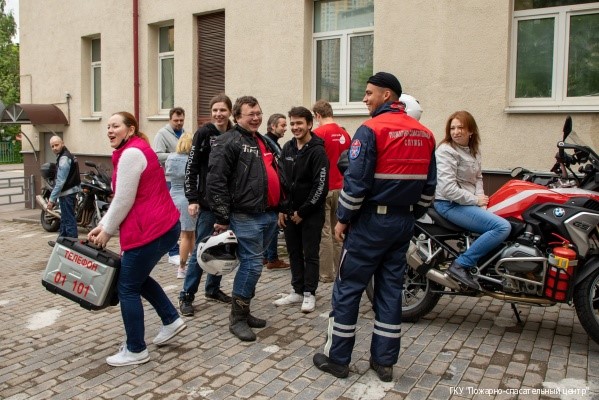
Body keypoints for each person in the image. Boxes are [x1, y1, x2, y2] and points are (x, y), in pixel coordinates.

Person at [313, 72, 437, 382]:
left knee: (348, 289)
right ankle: (384, 363)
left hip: (370, 223)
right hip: (403, 222)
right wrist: (410, 213)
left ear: (387, 96)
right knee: (390, 291)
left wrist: (343, 219)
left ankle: (337, 358)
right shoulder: (425, 134)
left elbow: (356, 183)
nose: (365, 98)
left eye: (369, 93)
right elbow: (429, 188)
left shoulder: (370, 130)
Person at [88, 111, 186, 367]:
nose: (110, 130)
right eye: (108, 126)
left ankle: (136, 349)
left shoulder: (131, 153)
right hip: (162, 226)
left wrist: (106, 230)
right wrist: (102, 225)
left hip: (149, 230)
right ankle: (171, 319)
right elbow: (124, 197)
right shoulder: (132, 149)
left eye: (115, 126)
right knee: (137, 278)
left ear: (129, 130)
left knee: (127, 286)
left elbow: (123, 199)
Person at [206, 95, 280, 342]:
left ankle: (245, 312)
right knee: (252, 265)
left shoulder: (262, 140)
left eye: (259, 113)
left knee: (254, 266)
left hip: (268, 212)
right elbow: (215, 182)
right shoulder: (228, 141)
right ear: (237, 117)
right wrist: (223, 217)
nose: (257, 117)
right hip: (245, 214)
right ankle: (237, 318)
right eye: (251, 114)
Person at [434, 110, 511, 289]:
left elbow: (478, 178)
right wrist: (476, 201)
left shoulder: (473, 151)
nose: (456, 132)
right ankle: (461, 265)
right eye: (452, 128)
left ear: (471, 131)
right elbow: (447, 189)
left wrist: (480, 199)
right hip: (449, 204)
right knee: (501, 227)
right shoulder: (446, 151)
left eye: (460, 127)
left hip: (466, 202)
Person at [179, 94, 234, 316]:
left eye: (223, 110)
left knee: (221, 247)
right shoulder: (203, 133)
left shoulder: (234, 133)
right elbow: (191, 168)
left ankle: (213, 289)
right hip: (208, 203)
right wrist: (192, 199)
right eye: (215, 110)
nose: (219, 114)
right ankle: (187, 296)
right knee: (201, 249)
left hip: (229, 204)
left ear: (230, 111)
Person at [274, 106, 328, 313]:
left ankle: (309, 293)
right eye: (293, 123)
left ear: (309, 124)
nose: (295, 127)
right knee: (293, 252)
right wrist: (282, 209)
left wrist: (302, 212)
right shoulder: (287, 148)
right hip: (289, 212)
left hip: (310, 213)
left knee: (310, 254)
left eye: (299, 123)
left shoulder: (317, 150)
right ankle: (296, 291)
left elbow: (320, 186)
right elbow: (282, 181)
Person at [312, 100, 350, 283]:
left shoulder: (318, 133)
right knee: (339, 232)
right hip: (342, 189)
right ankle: (342, 270)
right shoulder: (345, 134)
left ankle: (326, 274)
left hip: (324, 188)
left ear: (317, 115)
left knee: (324, 232)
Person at [153, 107, 186, 266]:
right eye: (176, 121)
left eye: (181, 120)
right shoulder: (162, 134)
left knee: (183, 217)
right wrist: (177, 156)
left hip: (183, 179)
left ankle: (182, 249)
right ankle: (172, 251)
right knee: (171, 217)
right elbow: (157, 155)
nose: (179, 123)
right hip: (169, 180)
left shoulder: (184, 132)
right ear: (170, 119)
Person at [165, 132, 196, 279]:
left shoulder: (171, 157)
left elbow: (168, 174)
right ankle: (182, 268)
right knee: (186, 234)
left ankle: (195, 262)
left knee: (190, 232)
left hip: (173, 195)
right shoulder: (191, 160)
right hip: (186, 198)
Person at [263, 113, 290, 271]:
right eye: (282, 125)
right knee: (273, 224)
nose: (285, 128)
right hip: (272, 191)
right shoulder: (268, 143)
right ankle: (272, 258)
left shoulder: (271, 142)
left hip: (271, 190)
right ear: (273, 126)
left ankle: (267, 256)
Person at [46, 135, 81, 240]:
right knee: (65, 218)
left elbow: (60, 181)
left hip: (67, 192)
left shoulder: (64, 158)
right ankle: (62, 241)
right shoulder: (66, 155)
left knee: (68, 218)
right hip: (68, 191)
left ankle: (71, 242)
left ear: (62, 143)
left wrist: (52, 199)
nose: (54, 148)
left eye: (56, 145)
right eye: (52, 146)